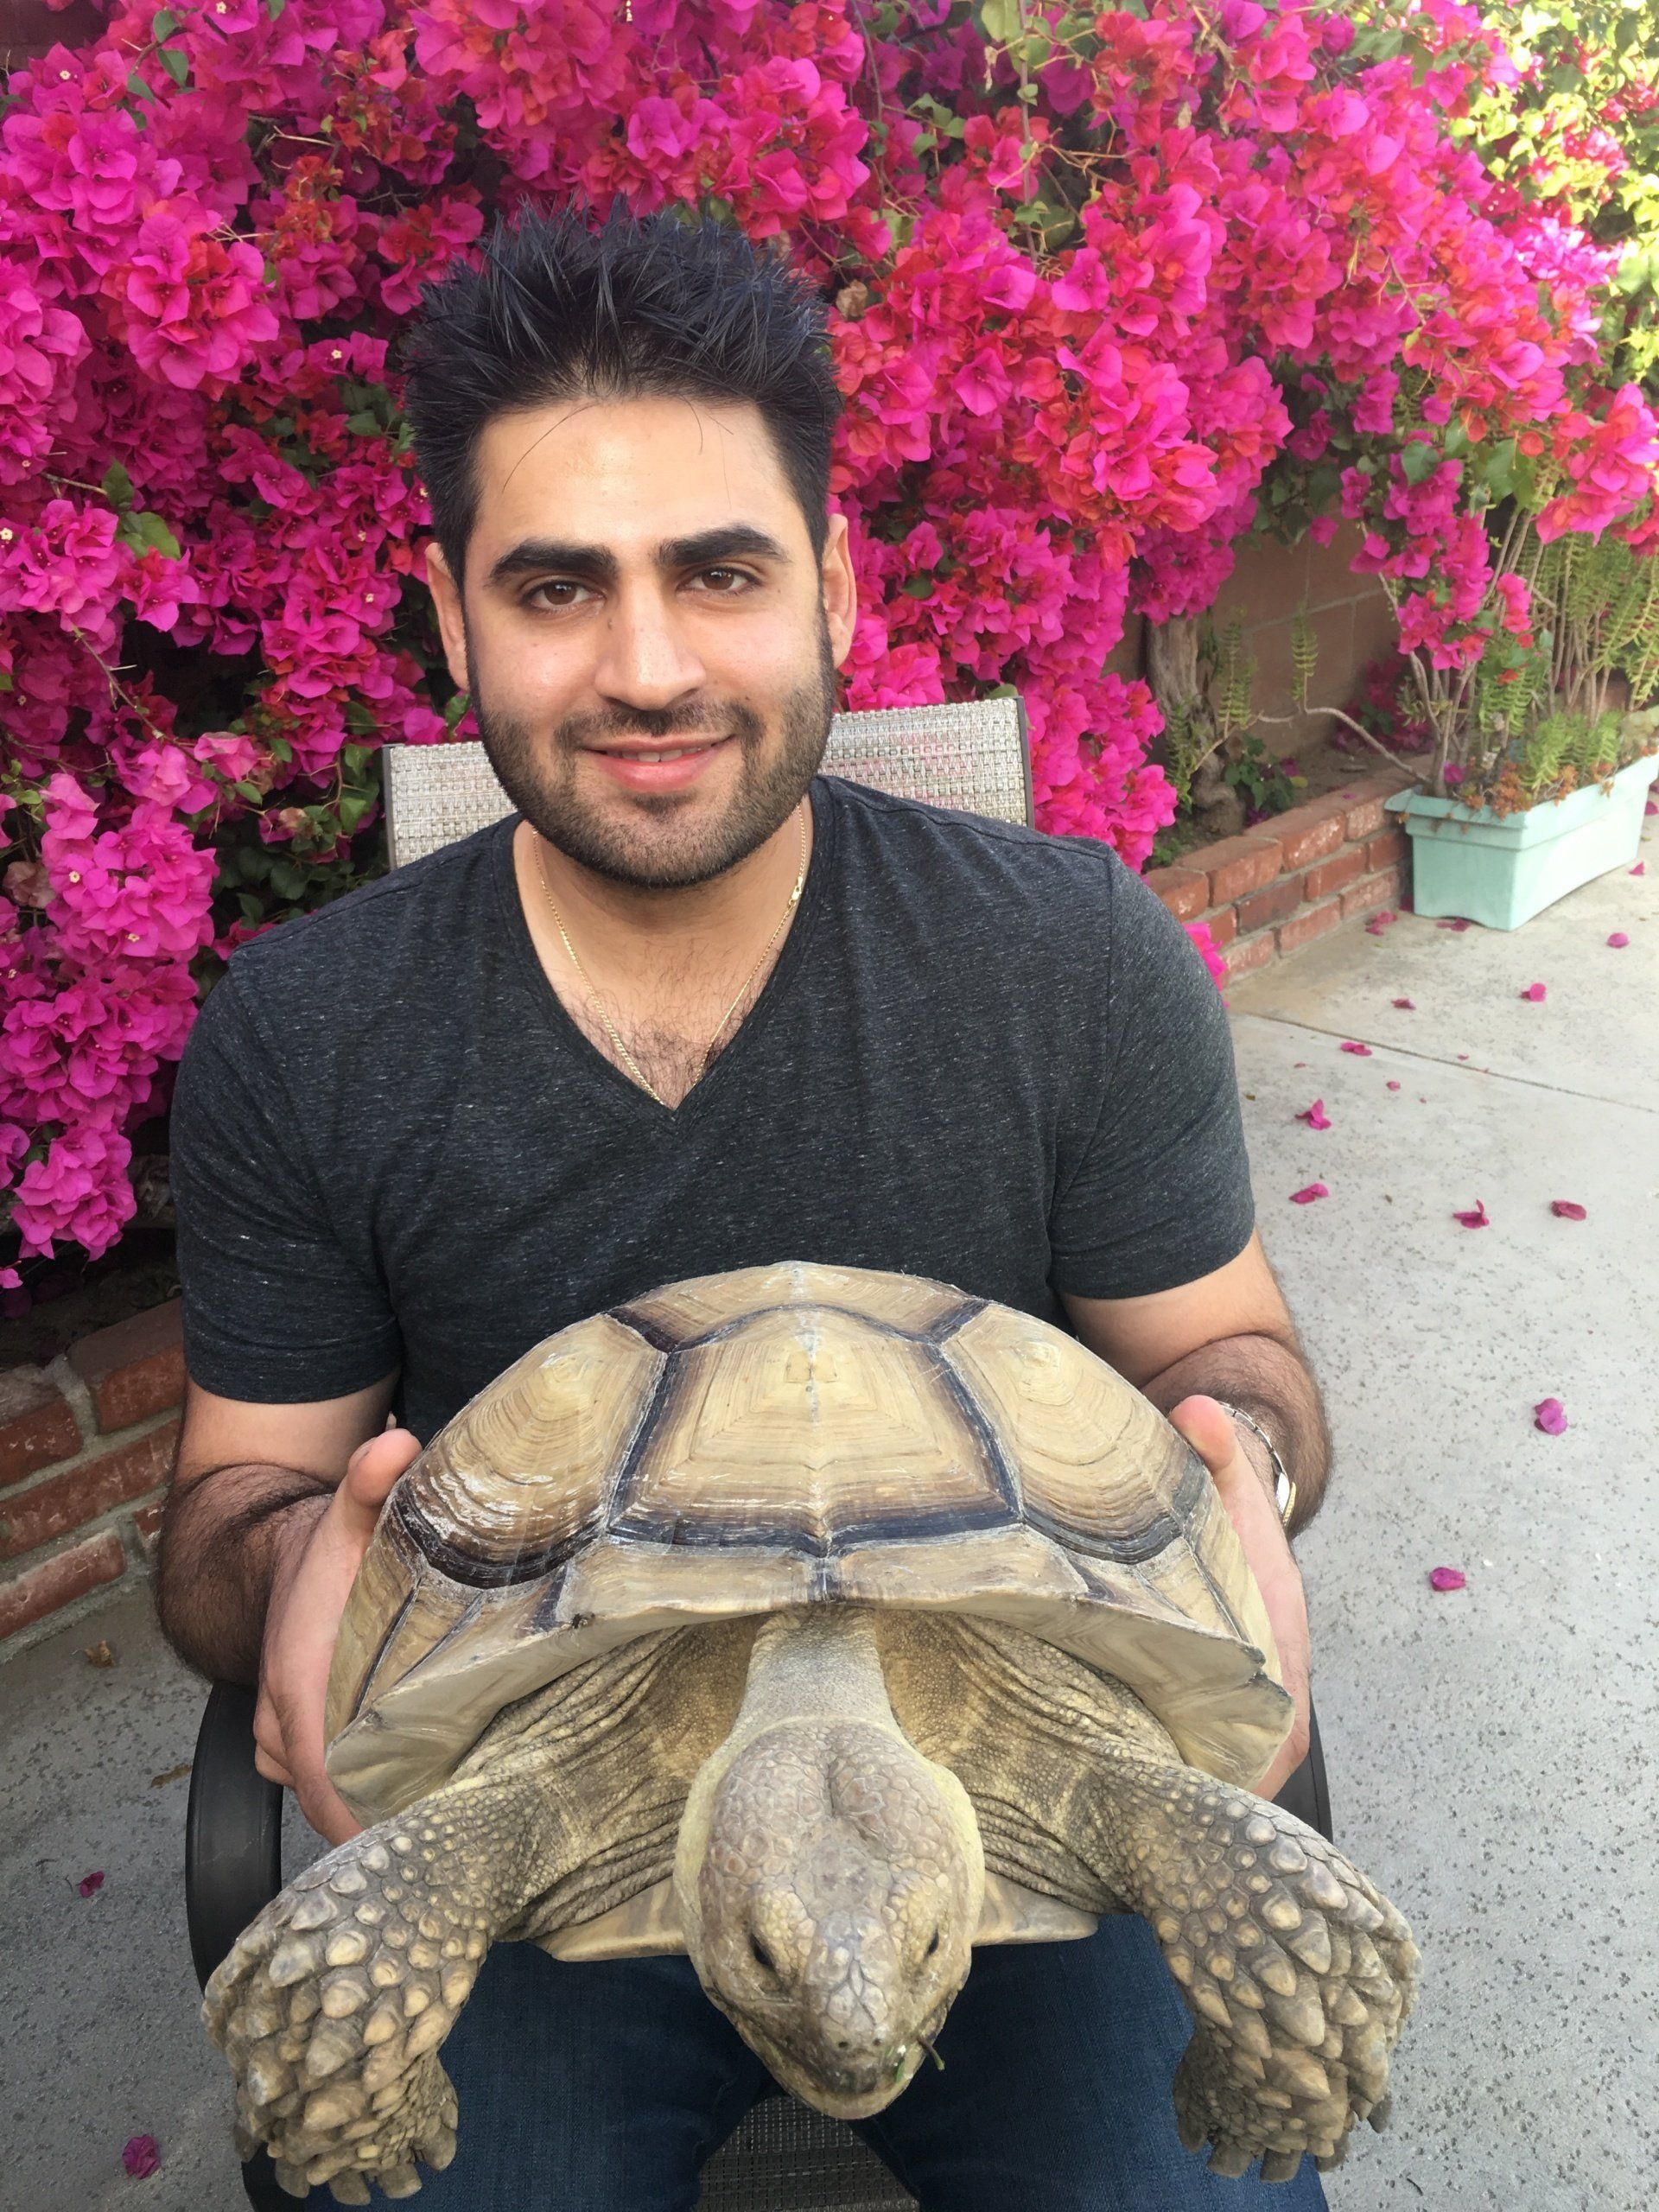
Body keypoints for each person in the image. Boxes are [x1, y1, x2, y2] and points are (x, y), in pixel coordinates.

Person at [156, 195, 1335, 2211]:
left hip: (1013, 1772)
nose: (646, 667)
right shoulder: (305, 1025)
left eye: (718, 571)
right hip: (555, 1791)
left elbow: (1231, 1355)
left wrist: (1254, 1478)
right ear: (451, 619)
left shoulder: (1073, 955)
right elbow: (225, 1510)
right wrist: (292, 1583)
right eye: (554, 588)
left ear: (835, 588)